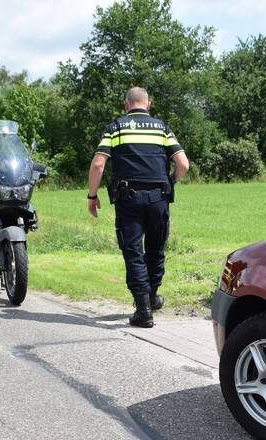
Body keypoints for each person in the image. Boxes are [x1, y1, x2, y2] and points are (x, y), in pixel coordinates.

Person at [86, 86, 190, 328]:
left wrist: (92, 195)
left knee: (133, 252)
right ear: (148, 104)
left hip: (128, 199)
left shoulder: (116, 127)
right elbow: (183, 164)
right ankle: (152, 298)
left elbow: (99, 163)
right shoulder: (162, 128)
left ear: (126, 105)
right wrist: (170, 182)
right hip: (159, 199)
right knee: (156, 250)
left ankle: (143, 310)